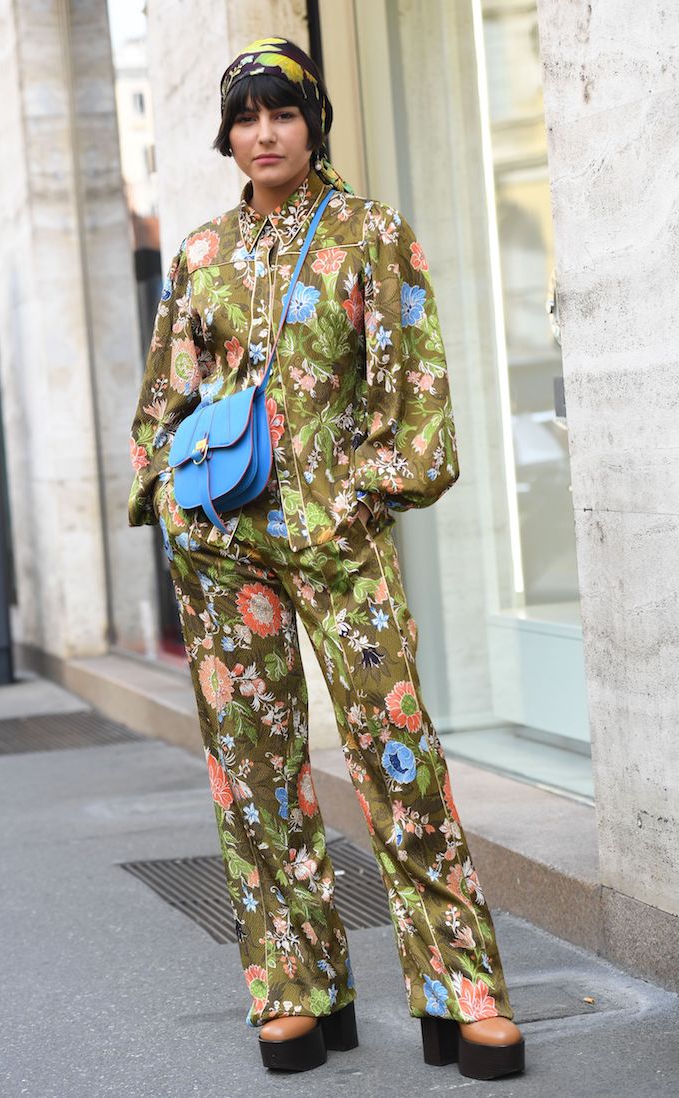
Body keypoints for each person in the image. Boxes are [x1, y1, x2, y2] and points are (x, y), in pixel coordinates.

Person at [127, 35, 525, 1080]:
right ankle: (297, 989)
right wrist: (172, 501)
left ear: (314, 123)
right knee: (254, 772)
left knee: (399, 757)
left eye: (283, 113)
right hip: (225, 546)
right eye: (245, 118)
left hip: (339, 541)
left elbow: (419, 396)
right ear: (227, 136)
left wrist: (362, 495)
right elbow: (166, 396)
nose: (264, 134)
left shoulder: (370, 237)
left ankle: (463, 990)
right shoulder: (200, 254)